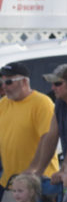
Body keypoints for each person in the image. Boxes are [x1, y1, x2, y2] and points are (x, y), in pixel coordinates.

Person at [0, 62, 59, 192]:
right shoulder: (3, 104)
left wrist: (33, 169)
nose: (4, 86)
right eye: (2, 82)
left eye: (8, 82)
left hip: (38, 180)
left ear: (24, 82)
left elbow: (48, 137)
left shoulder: (42, 103)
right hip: (10, 181)